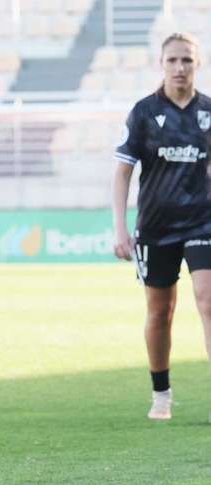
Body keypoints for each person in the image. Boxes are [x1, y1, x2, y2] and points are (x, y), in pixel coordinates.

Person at [113, 32, 211, 420]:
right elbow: (122, 174)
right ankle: (161, 394)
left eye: (187, 60)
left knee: (207, 297)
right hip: (155, 226)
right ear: (161, 64)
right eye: (172, 60)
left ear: (197, 64)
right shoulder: (143, 112)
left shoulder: (208, 112)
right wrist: (120, 229)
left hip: (203, 220)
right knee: (160, 312)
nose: (180, 67)